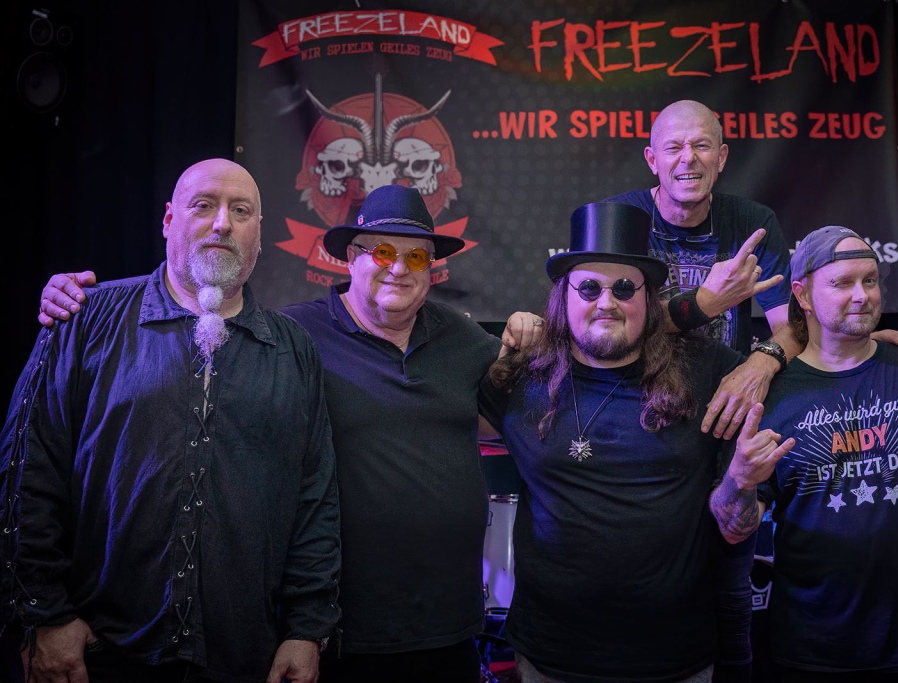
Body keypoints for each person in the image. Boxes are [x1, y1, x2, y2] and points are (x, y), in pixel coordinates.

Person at [34, 183, 542, 683]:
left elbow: (526, 416)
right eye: (384, 252)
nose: (399, 268)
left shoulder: (464, 339)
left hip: (448, 628)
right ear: (351, 258)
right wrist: (77, 300)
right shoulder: (289, 340)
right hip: (339, 632)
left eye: (416, 257)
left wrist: (537, 336)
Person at [605, 99, 898, 683]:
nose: (688, 159)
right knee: (635, 596)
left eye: (702, 145)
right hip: (636, 429)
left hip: (724, 427)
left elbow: (792, 325)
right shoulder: (620, 218)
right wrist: (706, 303)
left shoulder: (750, 220)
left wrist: (765, 357)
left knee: (732, 604)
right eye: (674, 147)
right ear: (652, 159)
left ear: (723, 156)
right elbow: (610, 331)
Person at [0, 158, 342, 683]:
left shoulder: (293, 350)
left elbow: (315, 498)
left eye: (241, 211)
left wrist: (307, 628)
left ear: (258, 232)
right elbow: (27, 472)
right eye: (203, 205)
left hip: (245, 658)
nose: (222, 223)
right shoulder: (84, 318)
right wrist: (44, 615)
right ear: (168, 220)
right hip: (99, 654)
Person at [479, 201, 795, 682]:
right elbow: (442, 417)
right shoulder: (520, 374)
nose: (606, 302)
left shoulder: (711, 372)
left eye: (625, 288)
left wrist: (741, 482)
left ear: (650, 300)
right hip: (549, 659)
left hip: (675, 662)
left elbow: (736, 528)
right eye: (589, 287)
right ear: (563, 298)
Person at [712, 225, 898, 682]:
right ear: (803, 295)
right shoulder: (771, 397)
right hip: (817, 656)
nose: (862, 295)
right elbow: (734, 528)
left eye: (870, 280)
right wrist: (739, 479)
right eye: (842, 283)